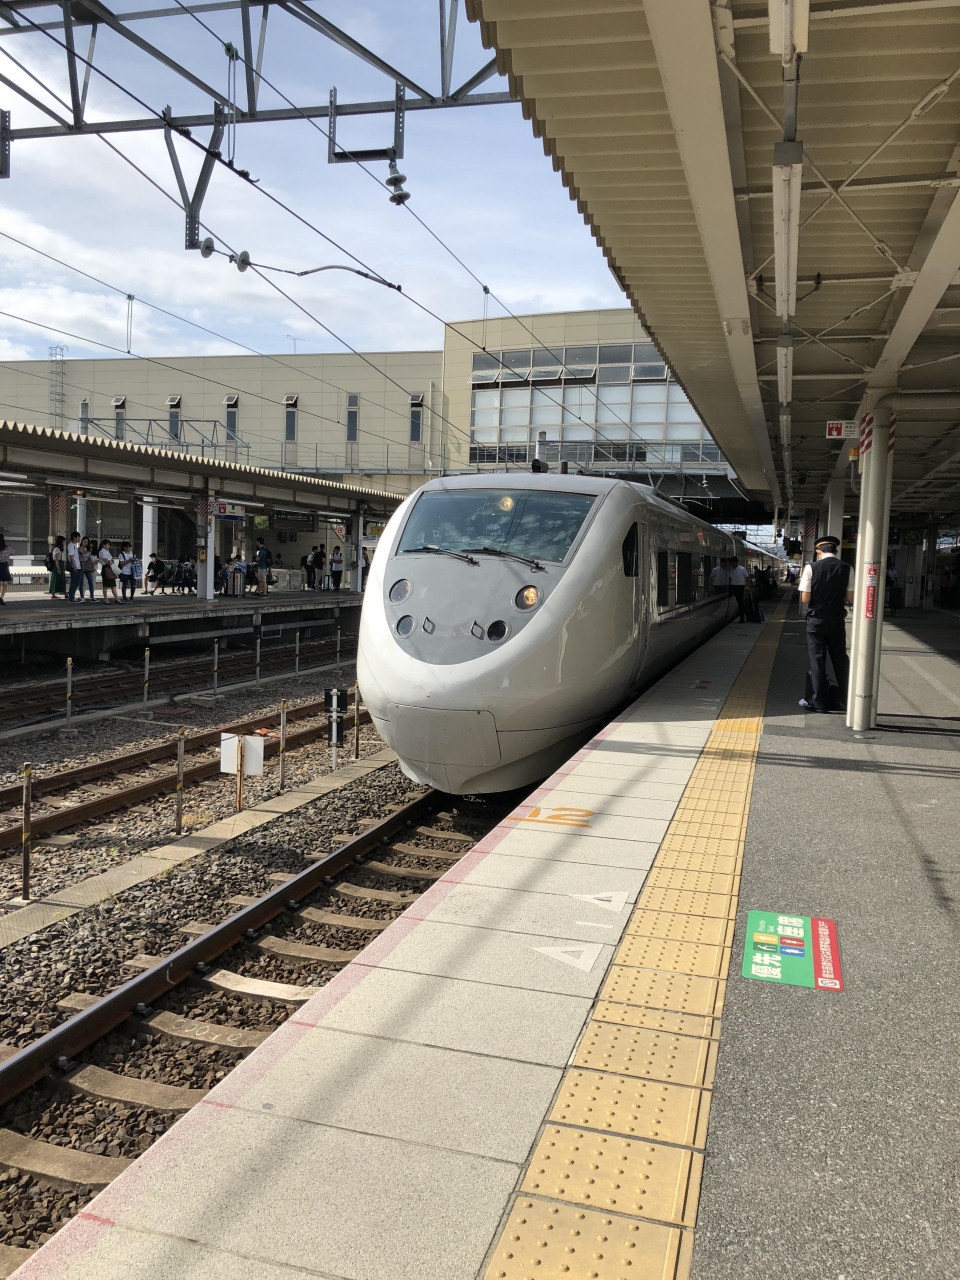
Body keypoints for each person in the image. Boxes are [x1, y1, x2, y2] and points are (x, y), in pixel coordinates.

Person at [799, 535, 854, 713]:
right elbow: (850, 598)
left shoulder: (811, 568)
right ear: (836, 551)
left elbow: (805, 599)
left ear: (818, 551)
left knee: (817, 661)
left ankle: (819, 703)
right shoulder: (847, 568)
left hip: (816, 621)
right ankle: (847, 700)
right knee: (840, 659)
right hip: (836, 620)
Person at [726, 556, 748, 622]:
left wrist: (747, 586)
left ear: (735, 563)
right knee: (729, 599)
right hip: (732, 586)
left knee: (740, 602)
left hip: (740, 587)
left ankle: (742, 618)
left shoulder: (742, 569)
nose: (731, 565)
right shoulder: (731, 570)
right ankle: (728, 614)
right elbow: (729, 578)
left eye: (732, 563)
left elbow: (747, 577)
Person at [98, 538, 120, 603]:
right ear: (104, 545)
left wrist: (111, 561)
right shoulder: (102, 551)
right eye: (108, 544)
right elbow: (106, 560)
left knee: (113, 585)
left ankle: (117, 598)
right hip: (106, 568)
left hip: (111, 567)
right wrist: (110, 561)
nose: (109, 546)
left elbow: (111, 560)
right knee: (106, 585)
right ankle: (106, 599)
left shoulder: (107, 551)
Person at [66, 529, 83, 603]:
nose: (79, 539)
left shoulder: (74, 545)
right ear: (74, 537)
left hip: (77, 565)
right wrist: (74, 565)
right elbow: (71, 556)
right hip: (75, 566)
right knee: (74, 582)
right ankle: (71, 598)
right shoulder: (71, 545)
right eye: (78, 537)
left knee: (76, 582)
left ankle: (72, 597)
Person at [79, 536, 97, 600]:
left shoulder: (88, 549)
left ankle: (92, 595)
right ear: (82, 542)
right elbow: (77, 557)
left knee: (90, 581)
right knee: (82, 582)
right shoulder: (78, 549)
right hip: (81, 565)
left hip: (87, 565)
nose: (85, 543)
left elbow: (89, 558)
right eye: (84, 541)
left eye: (87, 542)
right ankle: (82, 596)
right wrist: (82, 553)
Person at [0, 534, 10, 605]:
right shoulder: (7, 548)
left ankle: (0, 598)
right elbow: (14, 552)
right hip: (4, 566)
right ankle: (1, 597)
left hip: (3, 565)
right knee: (5, 583)